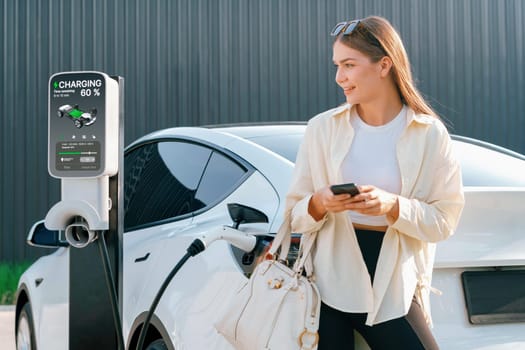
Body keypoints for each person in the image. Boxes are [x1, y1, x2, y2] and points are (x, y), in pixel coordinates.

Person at [284, 16, 464, 349]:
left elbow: (444, 222)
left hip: (391, 282)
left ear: (384, 65)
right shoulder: (321, 129)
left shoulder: (429, 134)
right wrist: (319, 202)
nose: (340, 77)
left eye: (349, 65)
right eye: (337, 66)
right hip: (326, 283)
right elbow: (293, 216)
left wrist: (393, 206)